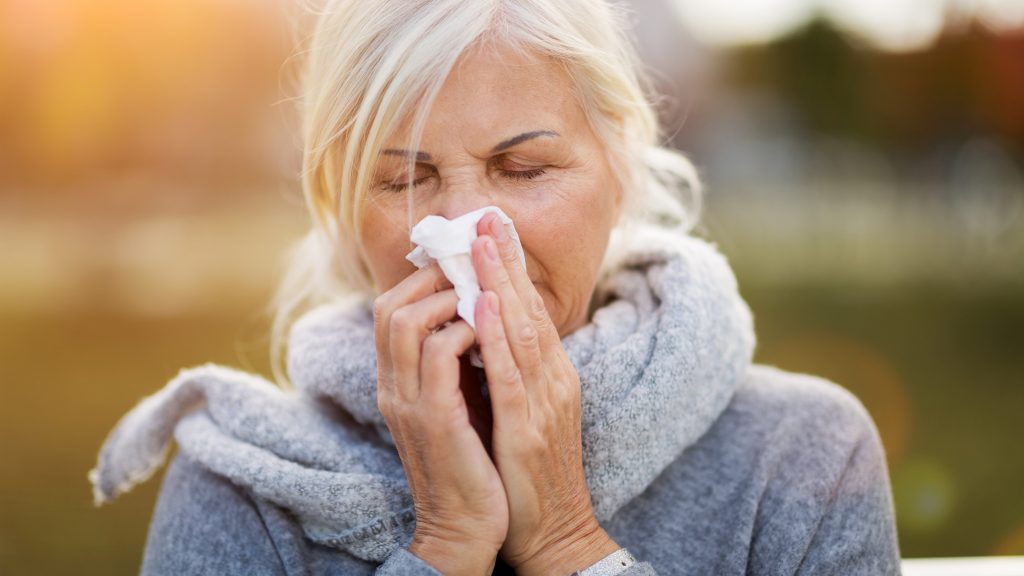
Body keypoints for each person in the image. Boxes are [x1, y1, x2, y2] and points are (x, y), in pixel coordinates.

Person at [88, 0, 902, 574]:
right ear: (342, 205)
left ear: (618, 171)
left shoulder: (803, 458)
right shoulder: (240, 482)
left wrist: (566, 545)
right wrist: (442, 545)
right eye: (406, 179)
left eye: (524, 168)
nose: (469, 232)